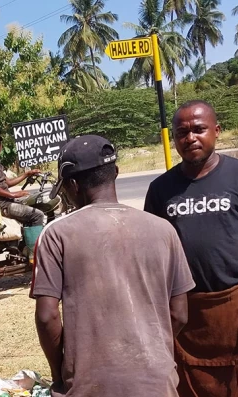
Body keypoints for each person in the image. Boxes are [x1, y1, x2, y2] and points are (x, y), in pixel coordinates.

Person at [31, 135, 195, 397]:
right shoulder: (164, 230)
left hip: (89, 386)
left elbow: (47, 316)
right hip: (157, 383)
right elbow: (180, 314)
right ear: (115, 173)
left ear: (73, 185)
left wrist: (58, 372)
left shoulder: (56, 235)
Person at [144, 100, 238, 397]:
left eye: (198, 129)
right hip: (187, 313)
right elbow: (153, 253)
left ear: (216, 131)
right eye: (182, 132)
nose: (190, 137)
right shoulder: (160, 189)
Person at [0, 132, 44, 226]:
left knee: (35, 202)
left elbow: (8, 182)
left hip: (7, 202)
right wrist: (13, 195)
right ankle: (36, 241)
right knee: (38, 215)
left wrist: (26, 174)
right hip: (4, 205)